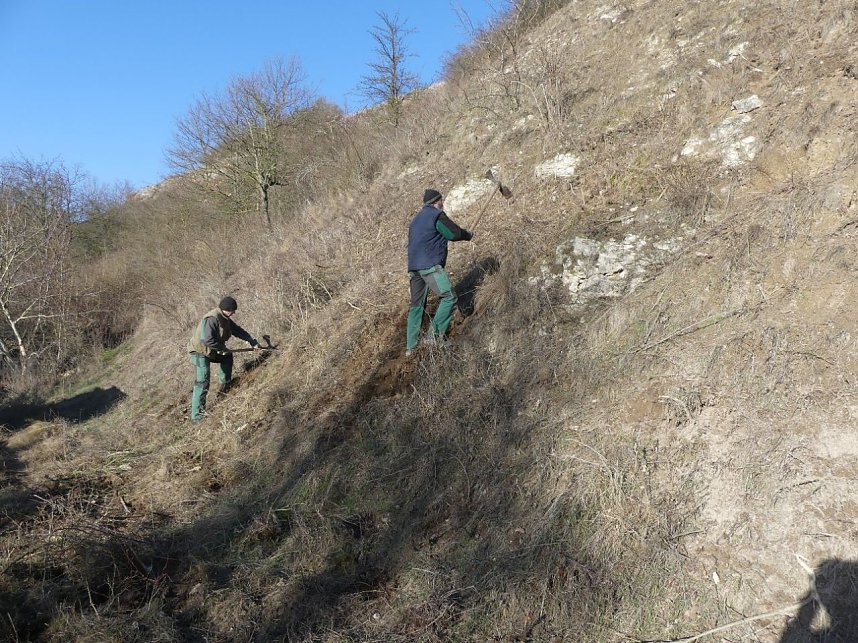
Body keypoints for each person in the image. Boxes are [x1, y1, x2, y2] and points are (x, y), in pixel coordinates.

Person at [406, 188, 473, 356]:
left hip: (414, 268)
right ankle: (433, 338)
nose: (443, 204)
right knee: (449, 297)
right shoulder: (436, 215)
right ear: (437, 201)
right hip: (429, 266)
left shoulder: (415, 221)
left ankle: (411, 347)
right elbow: (453, 233)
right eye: (441, 201)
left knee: (416, 305)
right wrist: (468, 235)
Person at [187, 296, 259, 421]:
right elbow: (207, 339)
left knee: (227, 358)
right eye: (233, 310)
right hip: (199, 352)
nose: (234, 313)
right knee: (202, 381)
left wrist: (251, 340)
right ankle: (197, 416)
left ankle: (225, 386)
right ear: (226, 309)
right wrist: (222, 348)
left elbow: (237, 330)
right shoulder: (212, 319)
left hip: (212, 349)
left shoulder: (225, 318)